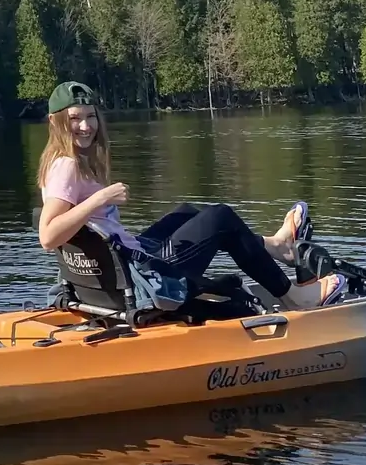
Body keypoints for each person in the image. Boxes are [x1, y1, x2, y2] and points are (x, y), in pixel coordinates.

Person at [36, 81, 346, 308]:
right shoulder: (67, 167)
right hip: (141, 276)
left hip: (125, 260)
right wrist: (98, 200)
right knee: (221, 218)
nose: (86, 125)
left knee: (187, 212)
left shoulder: (59, 160)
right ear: (56, 121)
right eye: (75, 118)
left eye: (90, 116)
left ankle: (276, 247)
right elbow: (48, 237)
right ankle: (293, 297)